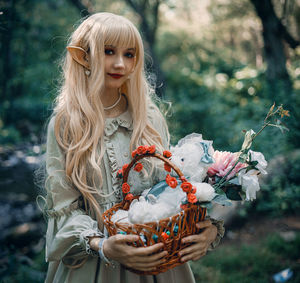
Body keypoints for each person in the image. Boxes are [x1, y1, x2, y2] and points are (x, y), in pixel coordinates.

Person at [44, 12, 224, 283]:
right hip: (93, 268)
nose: (119, 63)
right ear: (85, 56)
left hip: (159, 261)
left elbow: (173, 191)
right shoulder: (65, 124)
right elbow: (64, 208)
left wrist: (208, 229)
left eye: (129, 54)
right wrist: (102, 246)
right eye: (108, 51)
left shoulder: (148, 118)